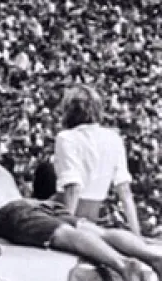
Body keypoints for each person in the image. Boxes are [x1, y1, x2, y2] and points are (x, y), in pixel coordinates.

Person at [0, 162, 156, 281]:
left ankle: (122, 265)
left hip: (10, 212)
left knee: (66, 235)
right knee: (101, 233)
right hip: (40, 205)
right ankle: (152, 256)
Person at [50, 85, 140, 235]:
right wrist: (137, 233)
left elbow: (73, 188)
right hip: (92, 213)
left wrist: (68, 229)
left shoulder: (66, 137)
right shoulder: (113, 138)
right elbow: (124, 191)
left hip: (68, 211)